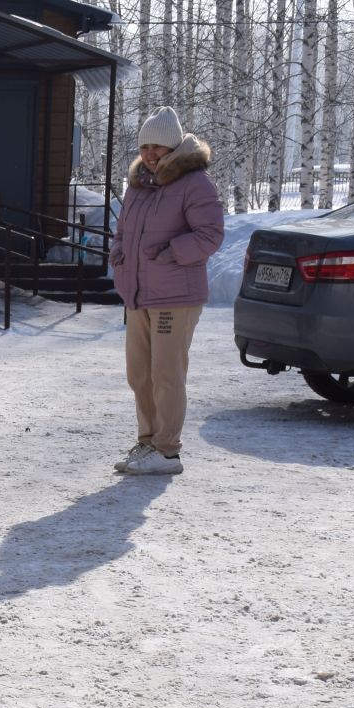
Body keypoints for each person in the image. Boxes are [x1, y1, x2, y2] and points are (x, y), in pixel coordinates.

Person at [108, 106, 223, 476]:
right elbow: (124, 230)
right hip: (139, 293)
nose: (149, 154)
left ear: (173, 147)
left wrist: (171, 253)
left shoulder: (195, 183)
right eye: (145, 147)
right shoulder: (139, 184)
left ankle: (167, 451)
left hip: (176, 294)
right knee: (139, 373)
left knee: (166, 373)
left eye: (157, 147)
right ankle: (147, 442)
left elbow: (210, 235)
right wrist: (119, 254)